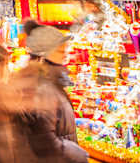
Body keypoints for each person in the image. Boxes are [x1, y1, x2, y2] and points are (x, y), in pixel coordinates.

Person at [12, 19, 87, 163]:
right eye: (60, 50)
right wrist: (77, 154)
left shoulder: (51, 82)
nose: (65, 54)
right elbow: (43, 141)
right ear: (44, 55)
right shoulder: (41, 88)